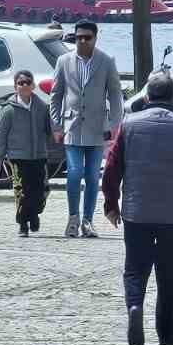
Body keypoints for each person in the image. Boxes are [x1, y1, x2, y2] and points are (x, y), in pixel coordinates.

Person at [100, 72, 173, 345]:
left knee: (135, 268)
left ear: (146, 97)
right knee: (169, 271)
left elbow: (112, 167)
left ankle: (135, 306)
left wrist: (111, 204)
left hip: (137, 211)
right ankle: (166, 331)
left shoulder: (129, 124)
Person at [49, 20, 125, 239]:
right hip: (71, 126)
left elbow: (115, 94)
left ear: (95, 38)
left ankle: (88, 221)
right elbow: (56, 95)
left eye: (87, 37)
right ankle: (73, 218)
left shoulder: (106, 61)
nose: (82, 41)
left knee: (92, 176)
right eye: (78, 37)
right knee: (74, 173)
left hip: (97, 127)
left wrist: (114, 124)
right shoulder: (63, 61)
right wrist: (56, 125)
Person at [0, 69, 54, 237]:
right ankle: (23, 223)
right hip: (18, 157)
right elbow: (1, 134)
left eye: (28, 82)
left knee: (40, 190)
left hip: (39, 155)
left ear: (33, 85)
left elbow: (50, 130)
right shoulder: (8, 110)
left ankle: (34, 214)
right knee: (22, 191)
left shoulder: (42, 107)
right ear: (15, 87)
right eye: (20, 83)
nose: (24, 85)